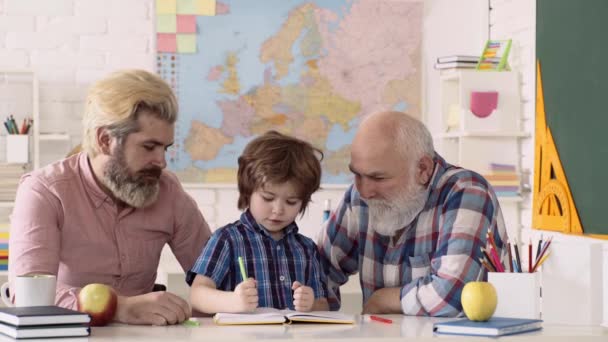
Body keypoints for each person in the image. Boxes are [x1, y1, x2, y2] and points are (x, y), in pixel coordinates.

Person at [9, 69, 212, 326]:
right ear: (105, 140)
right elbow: (28, 301)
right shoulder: (44, 192)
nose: (161, 162)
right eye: (149, 147)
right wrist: (119, 307)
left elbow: (216, 278)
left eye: (166, 148)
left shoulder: (169, 192)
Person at [317, 111, 508, 316]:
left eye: (378, 178)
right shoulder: (359, 196)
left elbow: (452, 297)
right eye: (357, 174)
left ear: (423, 169)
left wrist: (383, 300)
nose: (364, 191)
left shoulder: (467, 191)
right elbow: (318, 272)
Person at [188, 131, 328, 314]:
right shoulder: (227, 239)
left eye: (291, 202)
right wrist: (233, 301)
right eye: (268, 198)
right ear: (248, 190)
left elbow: (324, 304)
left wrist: (311, 304)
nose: (278, 210)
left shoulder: (307, 248)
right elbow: (197, 295)